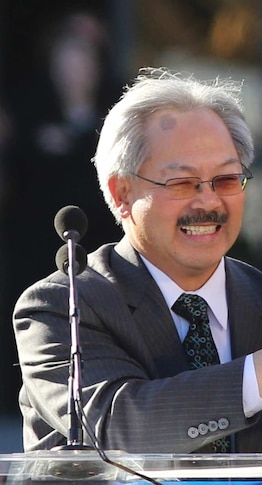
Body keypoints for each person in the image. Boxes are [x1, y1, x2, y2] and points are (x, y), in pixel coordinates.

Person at [12, 68, 262, 485]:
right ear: (123, 194)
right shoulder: (62, 306)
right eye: (182, 183)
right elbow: (116, 432)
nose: (209, 201)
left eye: (227, 179)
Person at [0, 10, 125, 414]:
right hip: (33, 242)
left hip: (98, 241)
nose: (77, 68)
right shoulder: (26, 106)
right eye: (68, 57)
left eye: (86, 57)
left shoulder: (114, 108)